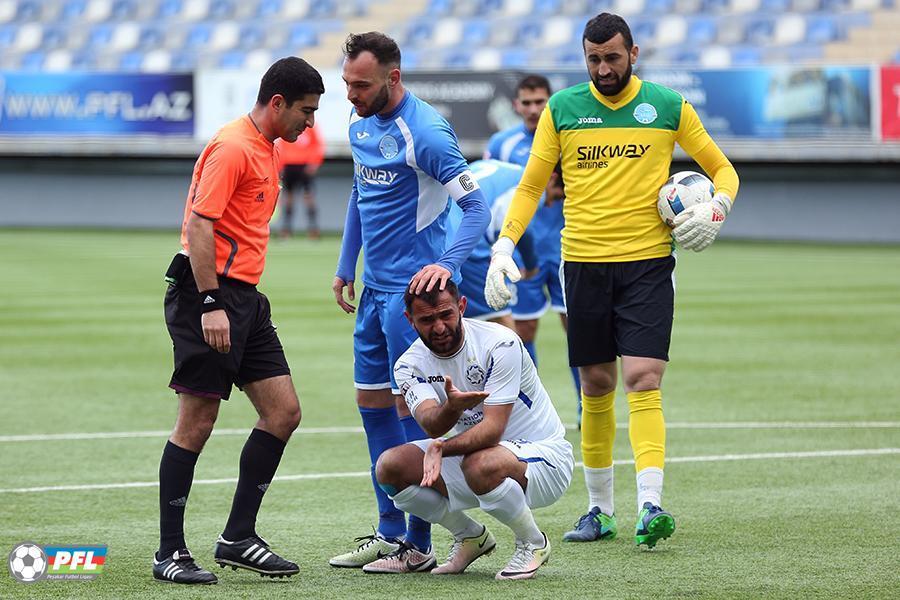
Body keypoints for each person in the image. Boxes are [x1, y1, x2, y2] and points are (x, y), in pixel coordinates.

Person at [485, 12, 740, 548]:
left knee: (643, 378)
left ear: (633, 54)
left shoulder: (668, 106)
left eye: (612, 58)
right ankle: (599, 511)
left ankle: (651, 504)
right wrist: (504, 245)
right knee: (596, 384)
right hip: (582, 263)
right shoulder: (563, 108)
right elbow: (530, 187)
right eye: (593, 59)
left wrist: (717, 207)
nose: (603, 68)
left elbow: (724, 170)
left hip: (648, 264)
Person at [154, 57, 324, 585]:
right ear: (277, 102)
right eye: (306, 111)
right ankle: (169, 552)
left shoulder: (269, 147)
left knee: (283, 412)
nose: (310, 123)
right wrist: (210, 302)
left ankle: (238, 537)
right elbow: (199, 225)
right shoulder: (233, 146)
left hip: (246, 296)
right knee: (197, 421)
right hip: (208, 294)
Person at [330, 32, 490, 572]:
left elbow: (476, 207)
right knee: (372, 404)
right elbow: (359, 195)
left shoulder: (426, 133)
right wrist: (346, 264)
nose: (350, 94)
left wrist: (447, 264)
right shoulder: (358, 125)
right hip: (373, 292)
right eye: (347, 83)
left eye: (361, 85)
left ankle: (419, 544)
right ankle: (390, 531)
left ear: (393, 78)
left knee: (413, 413)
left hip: (414, 301)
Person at [373, 280, 573, 580]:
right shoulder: (408, 365)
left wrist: (442, 447)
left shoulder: (500, 343)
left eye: (446, 315)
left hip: (544, 460)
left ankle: (533, 542)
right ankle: (469, 536)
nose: (439, 327)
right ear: (409, 320)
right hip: (476, 461)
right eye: (427, 320)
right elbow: (431, 423)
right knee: (390, 467)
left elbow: (492, 430)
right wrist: (451, 408)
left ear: (462, 307)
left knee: (480, 464)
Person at [485, 75, 583, 425]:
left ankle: (586, 408)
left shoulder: (569, 138)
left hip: (567, 247)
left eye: (539, 101)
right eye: (526, 103)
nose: (533, 109)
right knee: (522, 332)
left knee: (577, 329)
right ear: (516, 105)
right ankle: (532, 413)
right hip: (523, 252)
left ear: (549, 102)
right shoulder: (502, 143)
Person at [447, 159, 566, 329]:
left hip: (440, 237)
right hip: (467, 247)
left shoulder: (505, 168)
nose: (550, 204)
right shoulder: (531, 187)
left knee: (455, 317)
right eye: (556, 196)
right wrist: (531, 266)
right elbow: (522, 231)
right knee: (501, 320)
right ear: (552, 178)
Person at [275, 123, 325, 239]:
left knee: (309, 197)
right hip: (289, 165)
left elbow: (317, 145)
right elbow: (281, 145)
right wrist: (280, 165)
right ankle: (286, 230)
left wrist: (314, 163)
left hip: (305, 165)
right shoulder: (287, 125)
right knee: (288, 199)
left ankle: (313, 230)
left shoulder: (310, 127)